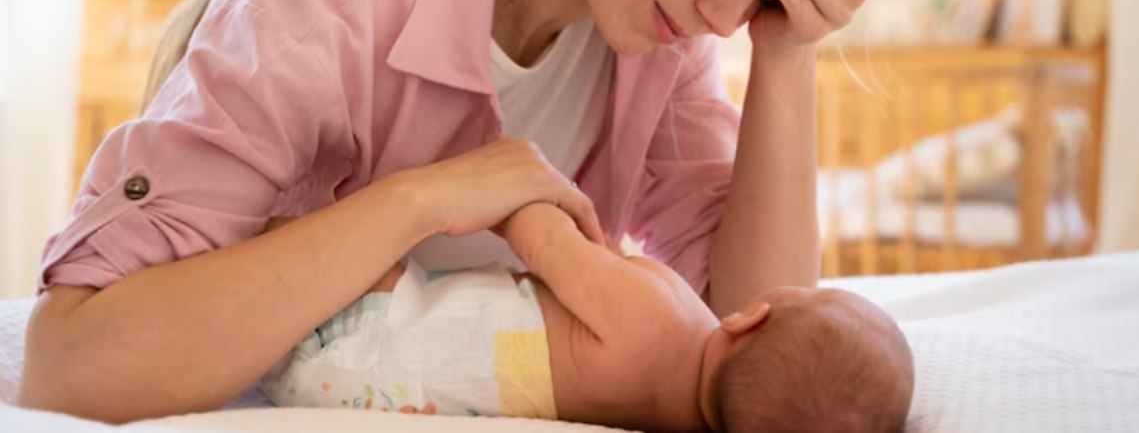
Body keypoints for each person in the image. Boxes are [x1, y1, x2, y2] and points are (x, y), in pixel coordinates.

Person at [18, 0, 899, 424]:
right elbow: (72, 363)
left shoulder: (663, 48)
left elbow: (756, 353)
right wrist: (425, 199)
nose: (724, 15)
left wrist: (789, 50)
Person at [259, 203, 914, 432]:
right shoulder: (672, 413)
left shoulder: (662, 319)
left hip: (368, 327)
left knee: (301, 233)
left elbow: (546, 246)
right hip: (361, 388)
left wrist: (522, 190)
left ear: (749, 318)